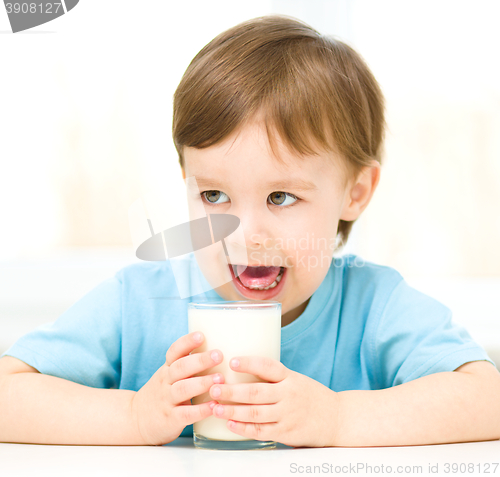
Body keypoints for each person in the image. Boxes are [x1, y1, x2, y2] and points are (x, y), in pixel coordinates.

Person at [1, 14, 499, 448]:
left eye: (281, 197)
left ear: (356, 191)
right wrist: (132, 416)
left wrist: (337, 417)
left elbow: (486, 399)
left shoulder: (374, 306)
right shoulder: (141, 303)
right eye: (214, 196)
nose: (244, 235)